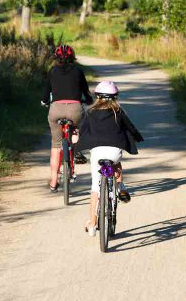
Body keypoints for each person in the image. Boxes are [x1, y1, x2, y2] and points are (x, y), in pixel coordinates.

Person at [76, 80, 144, 237]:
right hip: (114, 152)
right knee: (116, 165)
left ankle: (92, 224)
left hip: (98, 153)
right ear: (115, 97)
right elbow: (131, 128)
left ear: (97, 97)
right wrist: (137, 137)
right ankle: (121, 189)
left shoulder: (90, 112)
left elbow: (82, 129)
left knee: (95, 188)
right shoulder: (118, 112)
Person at [42, 44, 93, 192]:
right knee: (77, 128)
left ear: (56, 58)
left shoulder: (52, 71)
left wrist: (44, 101)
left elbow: (46, 93)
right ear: (73, 57)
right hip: (75, 109)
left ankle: (53, 181)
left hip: (56, 110)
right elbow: (85, 91)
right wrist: (89, 100)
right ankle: (75, 150)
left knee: (56, 145)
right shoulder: (78, 71)